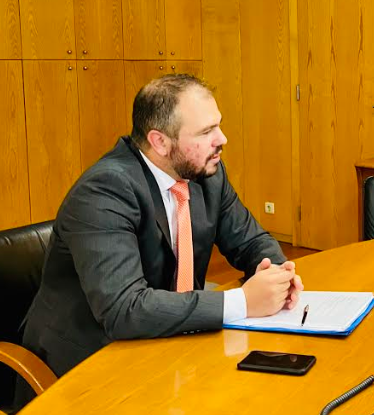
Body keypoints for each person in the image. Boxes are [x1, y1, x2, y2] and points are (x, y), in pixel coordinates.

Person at [20, 74, 304, 387]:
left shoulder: (205, 172)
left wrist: (277, 275)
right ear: (160, 142)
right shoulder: (104, 190)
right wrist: (244, 302)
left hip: (171, 347)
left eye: (218, 125)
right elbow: (124, 309)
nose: (222, 139)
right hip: (88, 367)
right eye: (206, 131)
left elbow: (251, 241)